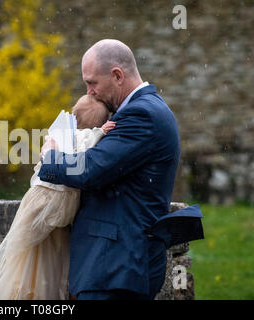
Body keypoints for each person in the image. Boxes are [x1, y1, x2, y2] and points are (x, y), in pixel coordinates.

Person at [38, 39, 203, 300]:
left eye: (92, 83)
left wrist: (50, 157)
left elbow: (89, 169)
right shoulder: (142, 111)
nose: (89, 92)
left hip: (115, 267)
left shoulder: (143, 115)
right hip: (113, 266)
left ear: (117, 75)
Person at [0, 95, 116, 300]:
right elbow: (87, 147)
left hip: (40, 197)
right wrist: (101, 132)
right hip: (51, 200)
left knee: (30, 259)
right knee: (42, 261)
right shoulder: (81, 137)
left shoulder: (59, 136)